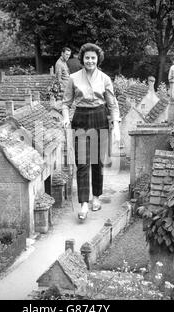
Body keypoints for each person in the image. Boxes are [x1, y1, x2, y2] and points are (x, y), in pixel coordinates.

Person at [62, 43, 120, 220]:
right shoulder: (73, 78)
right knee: (82, 163)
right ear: (82, 59)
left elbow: (113, 105)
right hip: (80, 118)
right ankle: (84, 203)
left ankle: (96, 197)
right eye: (87, 57)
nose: (90, 61)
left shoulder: (105, 79)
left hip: (100, 118)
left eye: (93, 58)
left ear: (98, 59)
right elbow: (66, 103)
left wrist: (116, 126)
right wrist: (65, 117)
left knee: (97, 162)